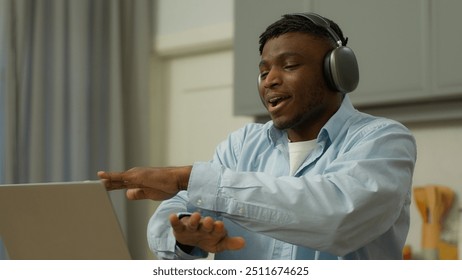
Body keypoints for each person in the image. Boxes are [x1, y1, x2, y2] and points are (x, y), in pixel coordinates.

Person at [98, 12, 417, 260]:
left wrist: (188, 177)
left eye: (289, 65)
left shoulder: (382, 140)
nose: (270, 81)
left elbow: (340, 216)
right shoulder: (240, 146)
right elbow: (169, 218)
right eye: (264, 72)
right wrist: (186, 236)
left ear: (337, 72)